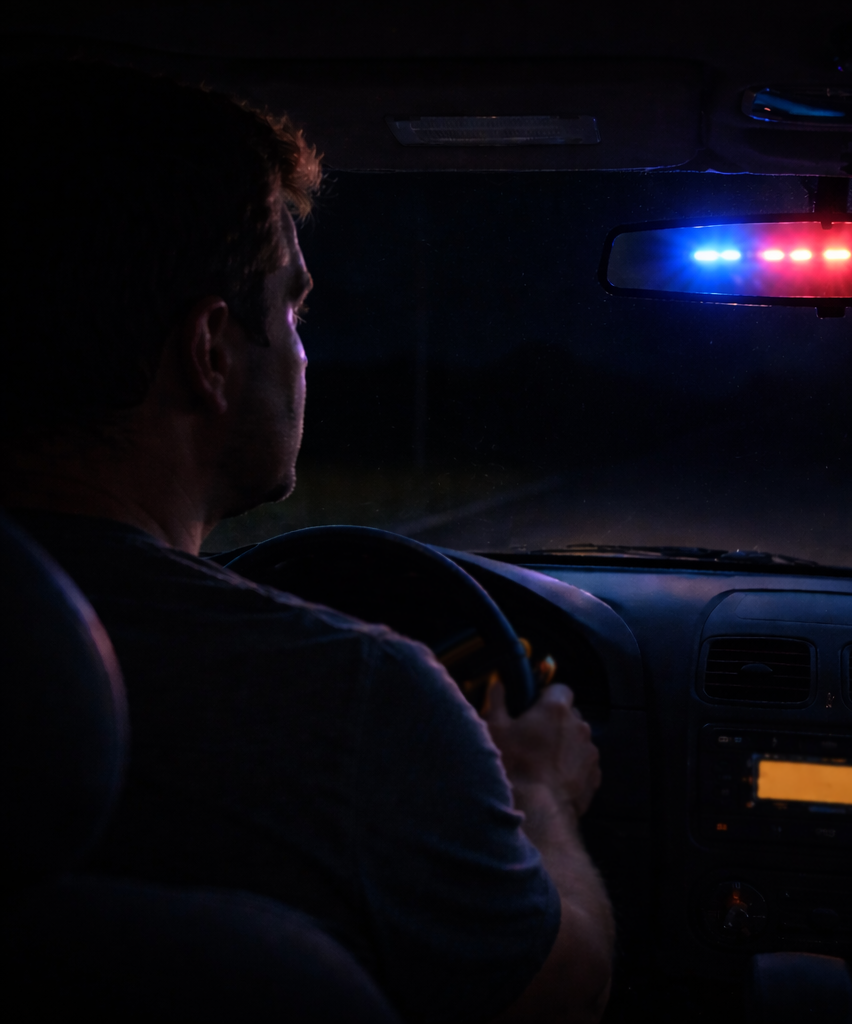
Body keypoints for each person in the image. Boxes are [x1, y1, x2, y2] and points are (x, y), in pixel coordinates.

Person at [0, 62, 613, 1023]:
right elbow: (560, 993)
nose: (301, 351)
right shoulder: (358, 700)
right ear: (211, 352)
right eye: (292, 308)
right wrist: (538, 791)